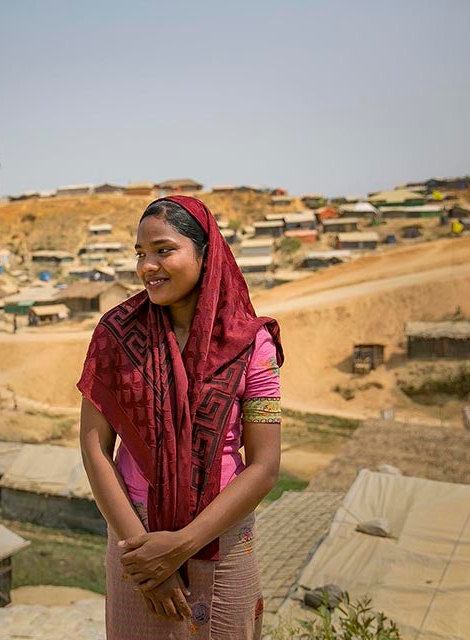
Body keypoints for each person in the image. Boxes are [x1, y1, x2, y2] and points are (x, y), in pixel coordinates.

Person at [78, 196, 283, 639]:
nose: (147, 266)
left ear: (206, 253)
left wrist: (181, 546)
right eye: (140, 253)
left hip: (223, 539)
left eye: (163, 250)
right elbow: (95, 449)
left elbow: (265, 466)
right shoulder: (116, 336)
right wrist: (145, 555)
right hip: (135, 540)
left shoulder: (251, 345)